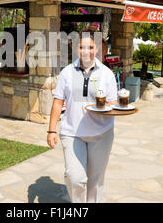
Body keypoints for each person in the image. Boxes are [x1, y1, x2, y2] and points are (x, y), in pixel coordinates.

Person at [47, 31, 118, 203]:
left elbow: (113, 103)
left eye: (91, 47)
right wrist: (51, 130)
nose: (86, 51)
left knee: (95, 181)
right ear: (76, 49)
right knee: (75, 178)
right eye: (81, 47)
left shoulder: (106, 74)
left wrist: (107, 108)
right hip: (73, 133)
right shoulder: (67, 72)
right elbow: (58, 102)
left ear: (98, 49)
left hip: (101, 134)